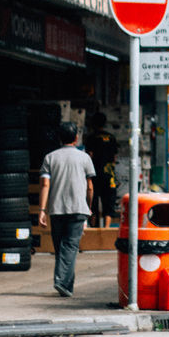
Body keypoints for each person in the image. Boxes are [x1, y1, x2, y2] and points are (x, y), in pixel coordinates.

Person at [37, 122, 95, 297]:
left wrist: (42, 210)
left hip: (57, 209)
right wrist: (89, 207)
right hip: (78, 209)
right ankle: (63, 283)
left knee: (61, 247)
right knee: (69, 247)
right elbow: (90, 187)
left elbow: (45, 184)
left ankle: (65, 285)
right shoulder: (85, 158)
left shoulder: (50, 158)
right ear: (76, 139)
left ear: (59, 138)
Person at [84, 112, 118, 228]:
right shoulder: (112, 138)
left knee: (93, 203)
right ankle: (107, 228)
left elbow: (89, 155)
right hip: (109, 175)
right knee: (108, 203)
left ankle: (94, 228)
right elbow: (114, 158)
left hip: (94, 174)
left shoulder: (91, 138)